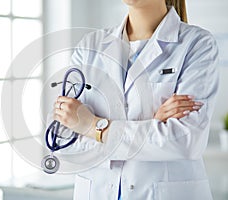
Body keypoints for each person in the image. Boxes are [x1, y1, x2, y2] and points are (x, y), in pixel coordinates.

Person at [53, 0, 218, 199]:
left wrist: (91, 126)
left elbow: (185, 141)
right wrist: (151, 127)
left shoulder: (197, 44)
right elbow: (62, 141)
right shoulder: (90, 46)